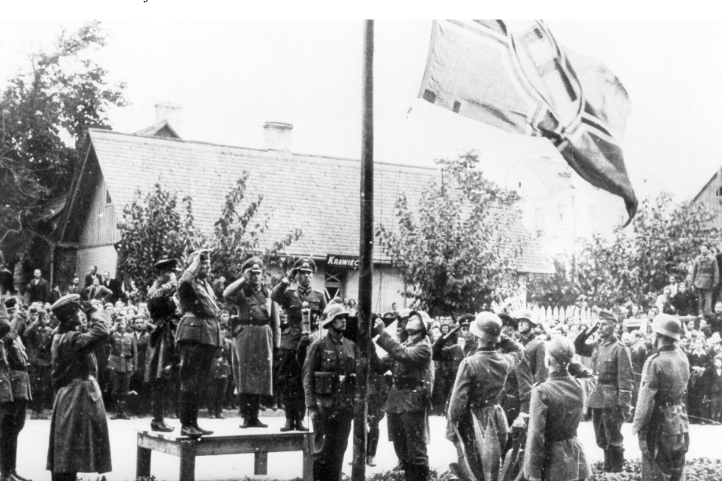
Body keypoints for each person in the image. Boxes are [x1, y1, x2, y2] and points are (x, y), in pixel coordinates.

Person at [446, 312, 523, 481]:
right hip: (497, 417)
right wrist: (496, 334)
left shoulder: (468, 363)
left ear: (476, 335)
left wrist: (454, 427)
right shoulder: (504, 360)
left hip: (473, 419)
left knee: (474, 467)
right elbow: (518, 350)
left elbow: (456, 404)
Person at [47, 294, 112, 481]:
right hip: (77, 396)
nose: (81, 314)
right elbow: (102, 331)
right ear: (69, 317)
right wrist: (93, 311)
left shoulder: (61, 336)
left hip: (69, 395)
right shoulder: (71, 339)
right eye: (78, 312)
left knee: (67, 448)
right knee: (71, 451)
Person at [370, 310, 434, 481]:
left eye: (415, 319)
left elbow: (403, 354)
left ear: (423, 327)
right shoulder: (402, 345)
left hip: (412, 401)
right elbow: (379, 366)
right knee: (401, 450)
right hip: (396, 400)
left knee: (416, 451)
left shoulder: (423, 347)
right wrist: (369, 345)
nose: (410, 320)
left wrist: (383, 333)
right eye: (409, 318)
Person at [523, 336, 597, 481]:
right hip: (575, 452)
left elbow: (536, 435)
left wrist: (534, 473)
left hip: (551, 457)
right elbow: (591, 377)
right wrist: (570, 361)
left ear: (548, 360)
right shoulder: (580, 385)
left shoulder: (541, 391)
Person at [574, 310, 634, 472]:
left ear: (614, 326)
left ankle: (616, 471)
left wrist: (624, 405)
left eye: (604, 324)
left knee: (613, 437)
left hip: (612, 399)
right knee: (600, 437)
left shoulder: (620, 348)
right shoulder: (597, 345)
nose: (600, 328)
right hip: (597, 397)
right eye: (598, 324)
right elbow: (577, 346)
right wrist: (591, 329)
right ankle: (608, 468)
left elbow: (625, 378)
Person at [223, 257, 280, 429]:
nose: (256, 276)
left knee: (260, 376)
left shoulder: (268, 294)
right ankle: (245, 416)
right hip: (245, 334)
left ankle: (254, 416)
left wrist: (276, 344)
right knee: (245, 375)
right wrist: (243, 279)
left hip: (263, 335)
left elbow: (275, 320)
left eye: (258, 273)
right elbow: (226, 294)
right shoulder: (241, 291)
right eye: (252, 273)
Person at [633, 314, 690, 481]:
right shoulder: (682, 357)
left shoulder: (654, 362)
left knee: (656, 473)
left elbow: (645, 401)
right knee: (676, 473)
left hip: (659, 425)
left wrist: (639, 430)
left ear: (658, 335)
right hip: (680, 423)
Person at [272, 257, 326, 432]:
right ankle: (289, 419)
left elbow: (325, 320)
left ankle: (300, 419)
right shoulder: (288, 293)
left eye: (309, 273)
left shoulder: (319, 296)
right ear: (297, 275)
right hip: (290, 343)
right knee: (288, 382)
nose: (306, 276)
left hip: (309, 344)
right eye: (302, 273)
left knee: (305, 382)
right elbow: (274, 296)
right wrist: (287, 279)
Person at [303, 304, 356, 481]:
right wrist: (311, 406)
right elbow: (308, 376)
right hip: (323, 407)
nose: (343, 321)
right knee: (322, 452)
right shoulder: (318, 345)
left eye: (344, 318)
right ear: (331, 321)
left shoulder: (350, 346)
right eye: (339, 318)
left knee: (340, 450)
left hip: (344, 407)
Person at [176, 249, 221, 437]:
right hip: (192, 334)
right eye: (203, 264)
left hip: (207, 335)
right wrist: (194, 263)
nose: (208, 268)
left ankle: (193, 422)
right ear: (194, 266)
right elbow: (184, 280)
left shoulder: (205, 285)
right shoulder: (188, 283)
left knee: (199, 382)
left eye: (209, 264)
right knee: (189, 380)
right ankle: (186, 424)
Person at [146, 258, 181, 432]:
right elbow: (155, 297)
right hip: (162, 336)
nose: (174, 275)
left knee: (167, 378)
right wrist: (171, 283)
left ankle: (161, 417)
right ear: (163, 274)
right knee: (159, 377)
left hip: (170, 334)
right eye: (171, 272)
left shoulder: (169, 293)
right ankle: (157, 419)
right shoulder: (156, 291)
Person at [1, 291, 32, 481]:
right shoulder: (5, 333)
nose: (19, 315)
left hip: (19, 386)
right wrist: (16, 320)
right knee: (7, 430)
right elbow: (8, 337)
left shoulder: (17, 334)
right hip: (10, 387)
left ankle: (11, 469)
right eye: (15, 312)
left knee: (16, 428)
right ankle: (5, 472)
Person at [24, 308, 54, 418]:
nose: (44, 320)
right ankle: (34, 410)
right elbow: (26, 334)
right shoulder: (33, 329)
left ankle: (41, 410)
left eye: (46, 318)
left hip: (46, 361)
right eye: (42, 318)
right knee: (35, 385)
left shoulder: (50, 331)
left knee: (44, 386)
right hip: (35, 361)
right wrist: (35, 323)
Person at [107, 317, 137, 420]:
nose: (121, 325)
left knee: (125, 389)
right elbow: (106, 340)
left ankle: (123, 411)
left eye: (123, 323)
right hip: (115, 364)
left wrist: (134, 366)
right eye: (119, 323)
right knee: (115, 389)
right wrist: (112, 329)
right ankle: (116, 411)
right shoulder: (112, 336)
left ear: (126, 324)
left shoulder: (130, 336)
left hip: (127, 365)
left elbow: (134, 352)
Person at [207, 323, 233, 419]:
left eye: (224, 332)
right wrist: (216, 360)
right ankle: (211, 411)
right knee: (212, 391)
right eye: (221, 332)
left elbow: (230, 357)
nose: (223, 334)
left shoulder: (227, 344)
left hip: (224, 369)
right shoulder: (212, 342)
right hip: (213, 369)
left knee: (222, 391)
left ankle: (219, 411)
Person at [692, 245, 719, 315]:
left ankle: (708, 312)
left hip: (708, 281)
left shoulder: (713, 259)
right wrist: (692, 282)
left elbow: (716, 271)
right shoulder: (697, 258)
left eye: (704, 249)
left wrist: (715, 282)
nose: (703, 251)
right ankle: (700, 312)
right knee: (700, 297)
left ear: (708, 250)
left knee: (708, 297)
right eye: (702, 249)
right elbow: (694, 271)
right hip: (699, 281)